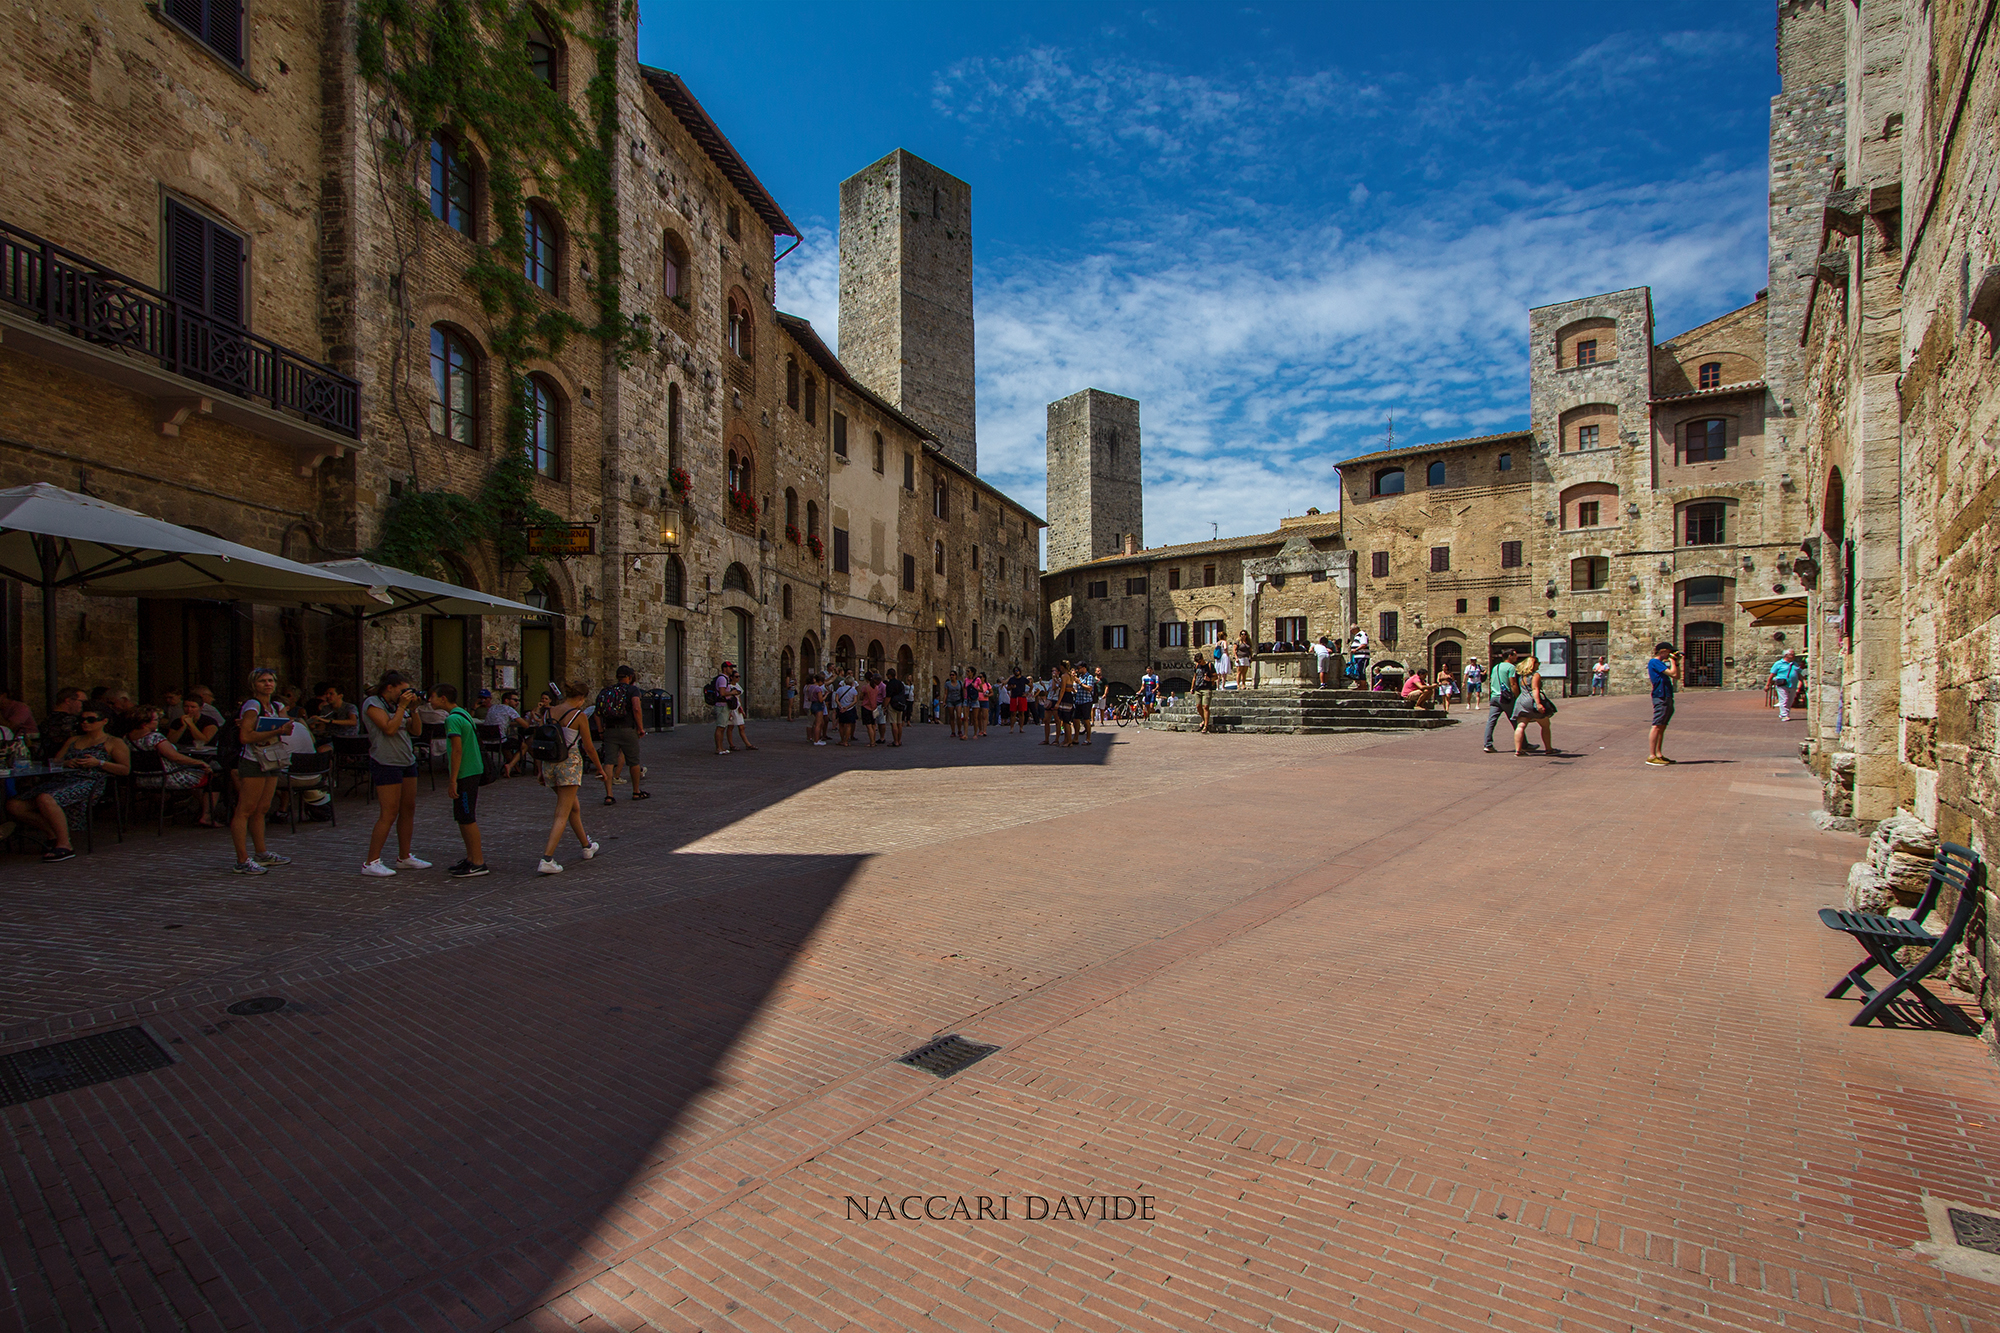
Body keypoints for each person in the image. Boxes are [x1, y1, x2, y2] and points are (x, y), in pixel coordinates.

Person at [7, 704, 128, 861]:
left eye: (91, 720)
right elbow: (56, 760)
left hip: (90, 781)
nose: (85, 723)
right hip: (63, 779)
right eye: (82, 719)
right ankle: (52, 834)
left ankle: (65, 845)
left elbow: (125, 769)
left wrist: (99, 763)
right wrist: (66, 762)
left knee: (45, 798)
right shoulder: (74, 739)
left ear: (104, 721)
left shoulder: (113, 742)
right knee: (14, 805)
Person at [360, 670, 429, 877]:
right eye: (402, 690)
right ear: (389, 688)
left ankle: (404, 856)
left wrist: (414, 710)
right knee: (388, 812)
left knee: (408, 808)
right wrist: (401, 707)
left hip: (406, 760)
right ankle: (371, 861)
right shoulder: (373, 704)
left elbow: (416, 731)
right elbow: (388, 729)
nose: (405, 694)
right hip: (386, 761)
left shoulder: (401, 707)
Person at [537, 681, 609, 874]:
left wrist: (539, 771)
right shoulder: (579, 716)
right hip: (569, 765)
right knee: (562, 812)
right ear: (581, 698)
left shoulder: (548, 713)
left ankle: (586, 846)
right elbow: (589, 747)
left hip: (549, 764)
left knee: (573, 807)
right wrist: (600, 769)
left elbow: (543, 740)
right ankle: (547, 858)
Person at [230, 668, 296, 875]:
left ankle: (262, 852)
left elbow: (288, 725)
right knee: (246, 809)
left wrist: (283, 725)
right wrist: (277, 730)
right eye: (262, 681)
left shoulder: (276, 705)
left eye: (271, 680)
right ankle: (242, 859)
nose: (268, 684)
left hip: (272, 758)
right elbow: (246, 737)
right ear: (254, 685)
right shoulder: (252, 705)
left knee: (262, 807)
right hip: (254, 759)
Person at [429, 683, 489, 877]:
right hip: (472, 769)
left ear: (443, 699)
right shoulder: (463, 713)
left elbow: (456, 750)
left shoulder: (453, 719)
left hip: (466, 772)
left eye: (433, 697)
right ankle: (471, 858)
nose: (430, 701)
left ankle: (478, 861)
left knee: (467, 816)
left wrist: (452, 779)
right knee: (462, 817)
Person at [125, 706, 219, 826]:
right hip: (167, 777)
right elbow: (175, 757)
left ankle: (197, 808)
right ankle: (206, 815)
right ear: (144, 723)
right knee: (213, 779)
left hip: (140, 778)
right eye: (155, 720)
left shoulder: (127, 738)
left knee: (199, 776)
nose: (158, 721)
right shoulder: (155, 738)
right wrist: (199, 763)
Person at [595, 665, 649, 800]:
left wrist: (601, 730)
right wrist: (640, 727)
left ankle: (609, 794)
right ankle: (636, 791)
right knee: (633, 761)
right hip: (627, 729)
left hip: (610, 730)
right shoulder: (632, 690)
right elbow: (636, 708)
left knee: (609, 762)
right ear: (630, 677)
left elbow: (597, 712)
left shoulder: (607, 691)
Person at [1510, 656, 1560, 757]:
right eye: (1538, 663)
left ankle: (1518, 750)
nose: (1539, 665)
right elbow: (1535, 689)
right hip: (1531, 701)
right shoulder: (1535, 675)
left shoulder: (1522, 676)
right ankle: (1548, 748)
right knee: (1545, 725)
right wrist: (1538, 703)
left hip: (1521, 700)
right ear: (1533, 664)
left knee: (1521, 725)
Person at [1647, 641, 1681, 766]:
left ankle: (1659, 754)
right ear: (1662, 651)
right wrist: (1672, 662)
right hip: (1660, 696)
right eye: (1669, 652)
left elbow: (1677, 675)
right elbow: (1672, 673)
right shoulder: (1654, 662)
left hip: (1667, 695)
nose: (1670, 654)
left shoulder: (1662, 663)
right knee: (1657, 725)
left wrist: (1676, 663)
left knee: (1662, 726)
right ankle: (1651, 755)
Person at [1482, 647, 1522, 754]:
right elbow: (1513, 683)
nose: (1516, 657)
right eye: (1515, 655)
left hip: (1494, 697)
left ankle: (1488, 744)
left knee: (1491, 721)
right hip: (1505, 698)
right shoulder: (1511, 667)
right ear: (1510, 656)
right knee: (1516, 720)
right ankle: (1523, 744)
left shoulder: (1496, 667)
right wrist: (1518, 697)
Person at [484, 689, 526, 774]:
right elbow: (525, 725)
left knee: (506, 745)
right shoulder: (509, 709)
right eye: (515, 700)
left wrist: (509, 723)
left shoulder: (492, 708)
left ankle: (516, 769)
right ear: (506, 700)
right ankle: (510, 765)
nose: (517, 702)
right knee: (524, 746)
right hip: (500, 741)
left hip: (487, 742)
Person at [38, 687, 84, 762]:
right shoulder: (73, 721)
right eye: (82, 701)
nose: (83, 705)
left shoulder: (46, 720)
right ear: (68, 701)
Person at [724, 662, 756, 752]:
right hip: (731, 708)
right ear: (732, 677)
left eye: (739, 676)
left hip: (737, 708)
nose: (738, 678)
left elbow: (739, 698)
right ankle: (732, 745)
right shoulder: (729, 686)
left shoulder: (737, 686)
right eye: (736, 676)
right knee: (730, 727)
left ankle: (747, 744)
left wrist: (741, 708)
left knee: (741, 726)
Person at [711, 661, 740, 755]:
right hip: (722, 706)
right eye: (730, 668)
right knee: (720, 727)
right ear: (724, 668)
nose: (732, 670)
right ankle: (718, 748)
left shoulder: (725, 678)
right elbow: (722, 693)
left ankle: (721, 747)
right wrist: (732, 693)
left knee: (723, 727)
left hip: (724, 706)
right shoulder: (722, 679)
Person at [1769, 648, 1803, 721]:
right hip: (1782, 684)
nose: (1793, 656)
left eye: (1794, 654)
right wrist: (1768, 684)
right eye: (1792, 654)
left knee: (1790, 701)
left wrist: (1803, 682)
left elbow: (1799, 674)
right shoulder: (1779, 663)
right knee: (1784, 699)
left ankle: (1784, 714)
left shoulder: (1795, 664)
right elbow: (1772, 674)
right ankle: (1784, 715)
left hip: (1793, 685)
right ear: (1786, 655)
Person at [830, 674, 859, 746]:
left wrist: (841, 706)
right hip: (850, 709)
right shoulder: (853, 690)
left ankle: (842, 739)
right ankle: (846, 741)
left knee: (841, 725)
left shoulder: (839, 689)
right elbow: (855, 701)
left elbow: (836, 699)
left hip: (841, 708)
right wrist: (847, 707)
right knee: (848, 725)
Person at [884, 667, 910, 746]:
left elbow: (888, 697)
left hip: (893, 704)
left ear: (889, 675)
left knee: (893, 723)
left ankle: (895, 741)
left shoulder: (890, 684)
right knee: (899, 723)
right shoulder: (900, 683)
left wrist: (884, 706)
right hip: (901, 704)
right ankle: (899, 740)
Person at [1192, 657, 1218, 734]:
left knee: (1205, 707)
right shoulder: (1197, 666)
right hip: (1198, 688)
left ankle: (1206, 726)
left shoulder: (1209, 665)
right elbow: (1194, 677)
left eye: (1200, 661)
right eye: (1197, 662)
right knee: (1198, 706)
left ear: (1203, 659)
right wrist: (1192, 688)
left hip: (1207, 688)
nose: (1199, 663)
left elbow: (1216, 676)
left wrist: (1210, 679)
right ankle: (1204, 720)